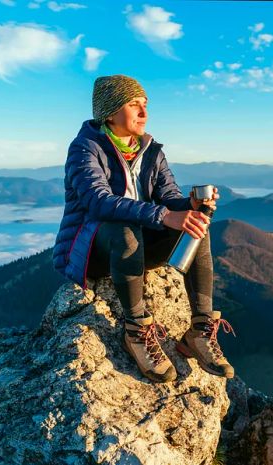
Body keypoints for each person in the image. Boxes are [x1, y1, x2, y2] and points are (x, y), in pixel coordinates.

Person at [52, 74, 235, 383]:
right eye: (133, 104)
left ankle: (200, 331)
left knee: (196, 226)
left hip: (137, 245)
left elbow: (169, 198)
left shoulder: (150, 150)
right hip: (92, 251)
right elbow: (98, 202)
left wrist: (188, 206)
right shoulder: (85, 149)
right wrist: (165, 216)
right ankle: (136, 331)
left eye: (145, 105)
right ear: (109, 112)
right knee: (124, 228)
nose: (143, 113)